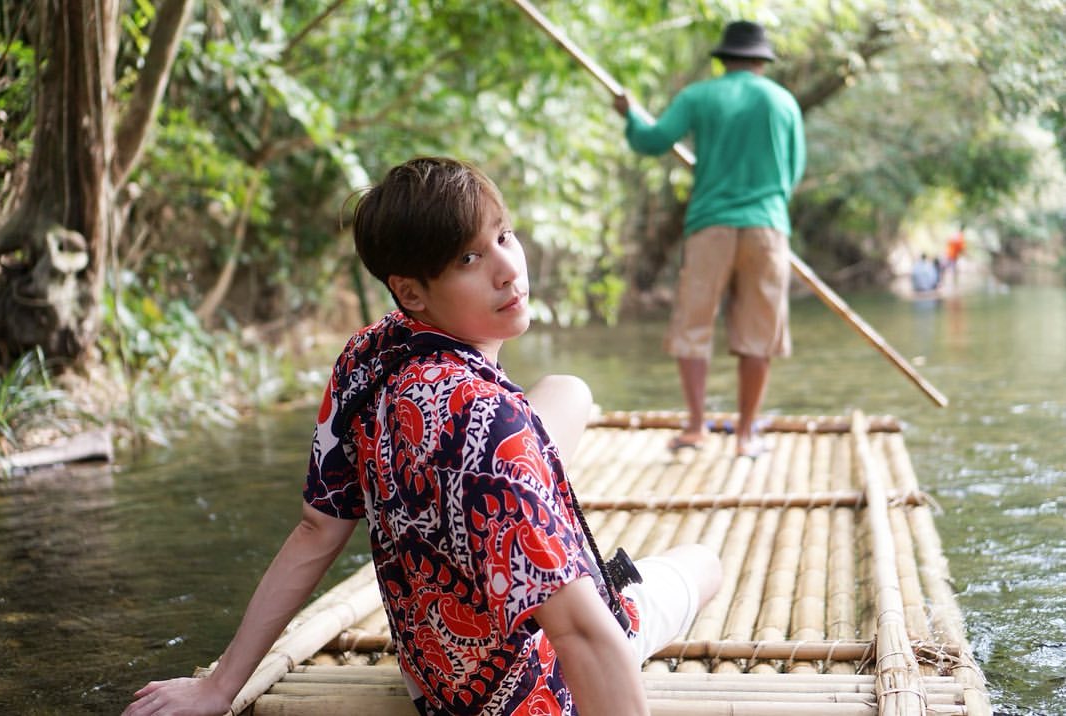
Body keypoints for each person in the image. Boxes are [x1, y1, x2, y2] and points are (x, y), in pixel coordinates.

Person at [122, 157, 721, 716]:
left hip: (429, 670)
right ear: (411, 291)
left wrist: (218, 684)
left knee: (569, 390)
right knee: (702, 563)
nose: (509, 269)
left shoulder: (365, 356)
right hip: (518, 691)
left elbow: (317, 528)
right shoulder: (491, 428)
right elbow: (584, 635)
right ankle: (543, 521)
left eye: (504, 237)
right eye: (468, 260)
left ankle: (525, 512)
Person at [613, 20, 805, 458]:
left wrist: (630, 115)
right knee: (759, 334)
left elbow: (652, 140)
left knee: (693, 325)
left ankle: (697, 428)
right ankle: (745, 436)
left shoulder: (700, 95)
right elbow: (792, 173)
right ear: (761, 59)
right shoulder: (784, 103)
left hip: (710, 227)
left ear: (723, 58)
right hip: (767, 228)